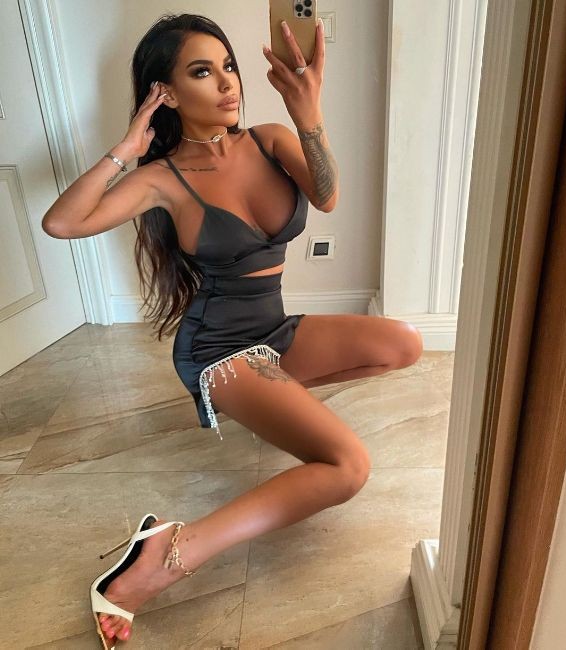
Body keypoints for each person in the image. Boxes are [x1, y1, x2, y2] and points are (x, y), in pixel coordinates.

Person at [42, 13, 423, 648]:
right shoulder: (161, 177)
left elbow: (326, 195)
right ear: (166, 93)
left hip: (273, 330)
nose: (227, 84)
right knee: (347, 467)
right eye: (202, 71)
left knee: (403, 343)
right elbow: (62, 224)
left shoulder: (269, 140)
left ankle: (268, 402)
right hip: (217, 349)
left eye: (229, 67)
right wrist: (126, 150)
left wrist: (309, 115)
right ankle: (164, 556)